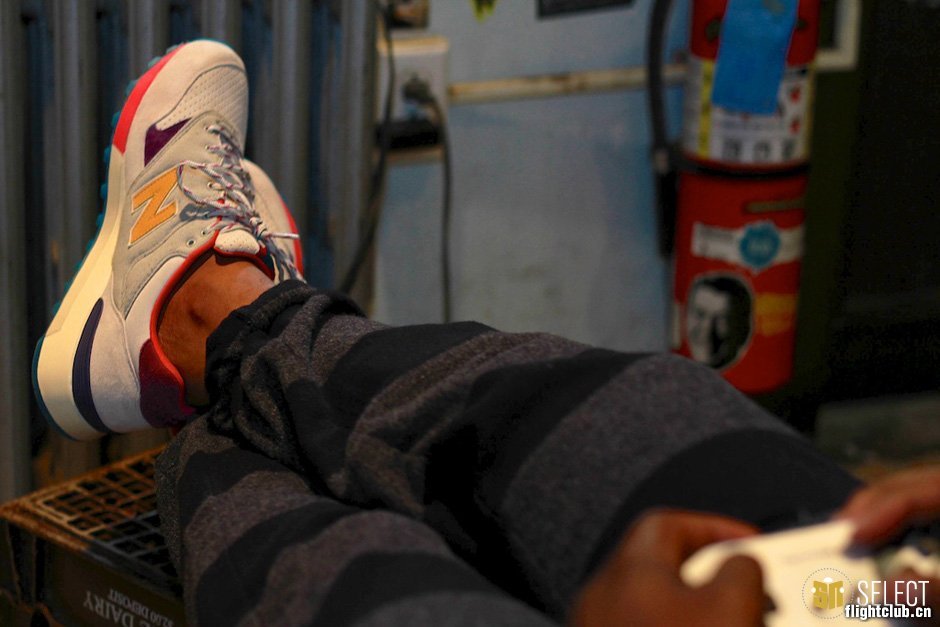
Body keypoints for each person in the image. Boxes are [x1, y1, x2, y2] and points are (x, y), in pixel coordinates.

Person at [32, 41, 938, 626]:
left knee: (364, 575)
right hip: (881, 600)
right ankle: (217, 343)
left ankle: (216, 331)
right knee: (646, 418)